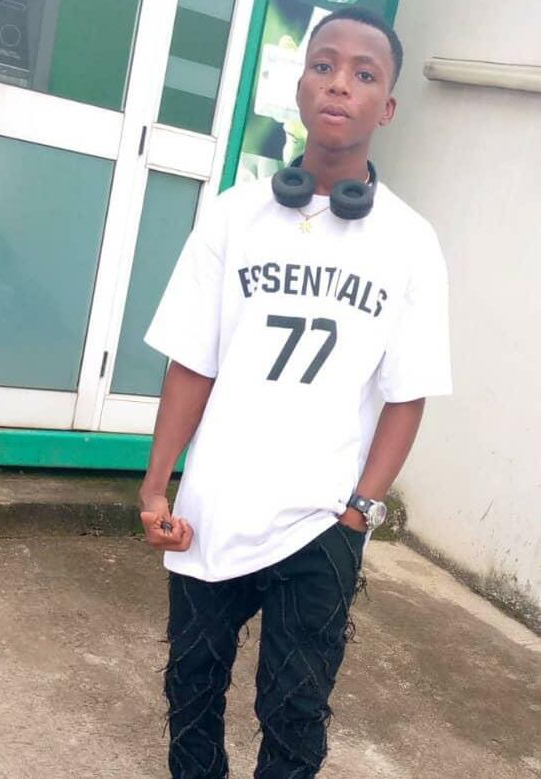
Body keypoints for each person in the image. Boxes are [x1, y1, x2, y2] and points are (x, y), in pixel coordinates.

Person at [139, 7, 452, 779]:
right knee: (191, 689)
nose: (338, 82)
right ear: (300, 85)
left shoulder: (409, 242)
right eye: (323, 64)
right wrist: (156, 484)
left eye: (363, 73)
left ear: (386, 106)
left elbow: (406, 393)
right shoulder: (233, 215)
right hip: (213, 505)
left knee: (294, 711)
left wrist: (360, 511)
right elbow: (192, 360)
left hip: (321, 518)